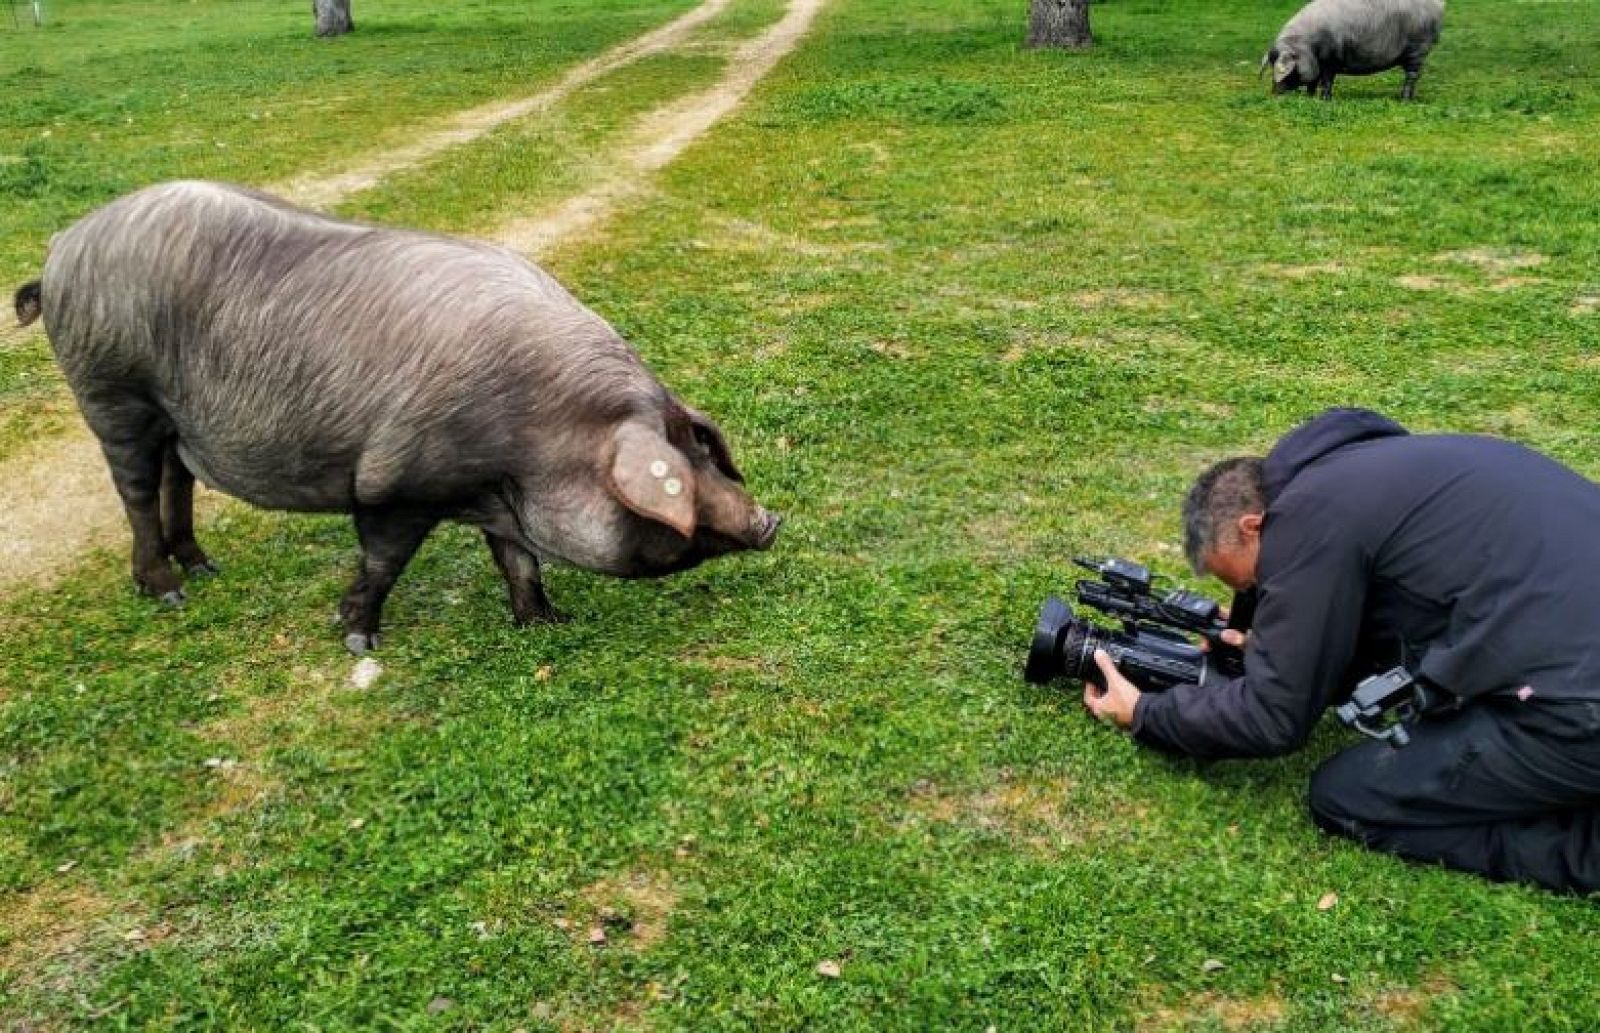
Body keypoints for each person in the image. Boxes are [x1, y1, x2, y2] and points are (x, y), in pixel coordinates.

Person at [1082, 407, 1600, 894]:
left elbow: (1273, 719)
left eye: (1254, 587)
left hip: (1578, 709)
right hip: (1568, 633)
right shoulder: (1354, 471)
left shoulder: (1308, 522)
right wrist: (1283, 641)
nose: (1260, 598)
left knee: (1348, 796)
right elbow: (1399, 614)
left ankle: (1586, 852)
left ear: (1252, 526)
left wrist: (1147, 713)